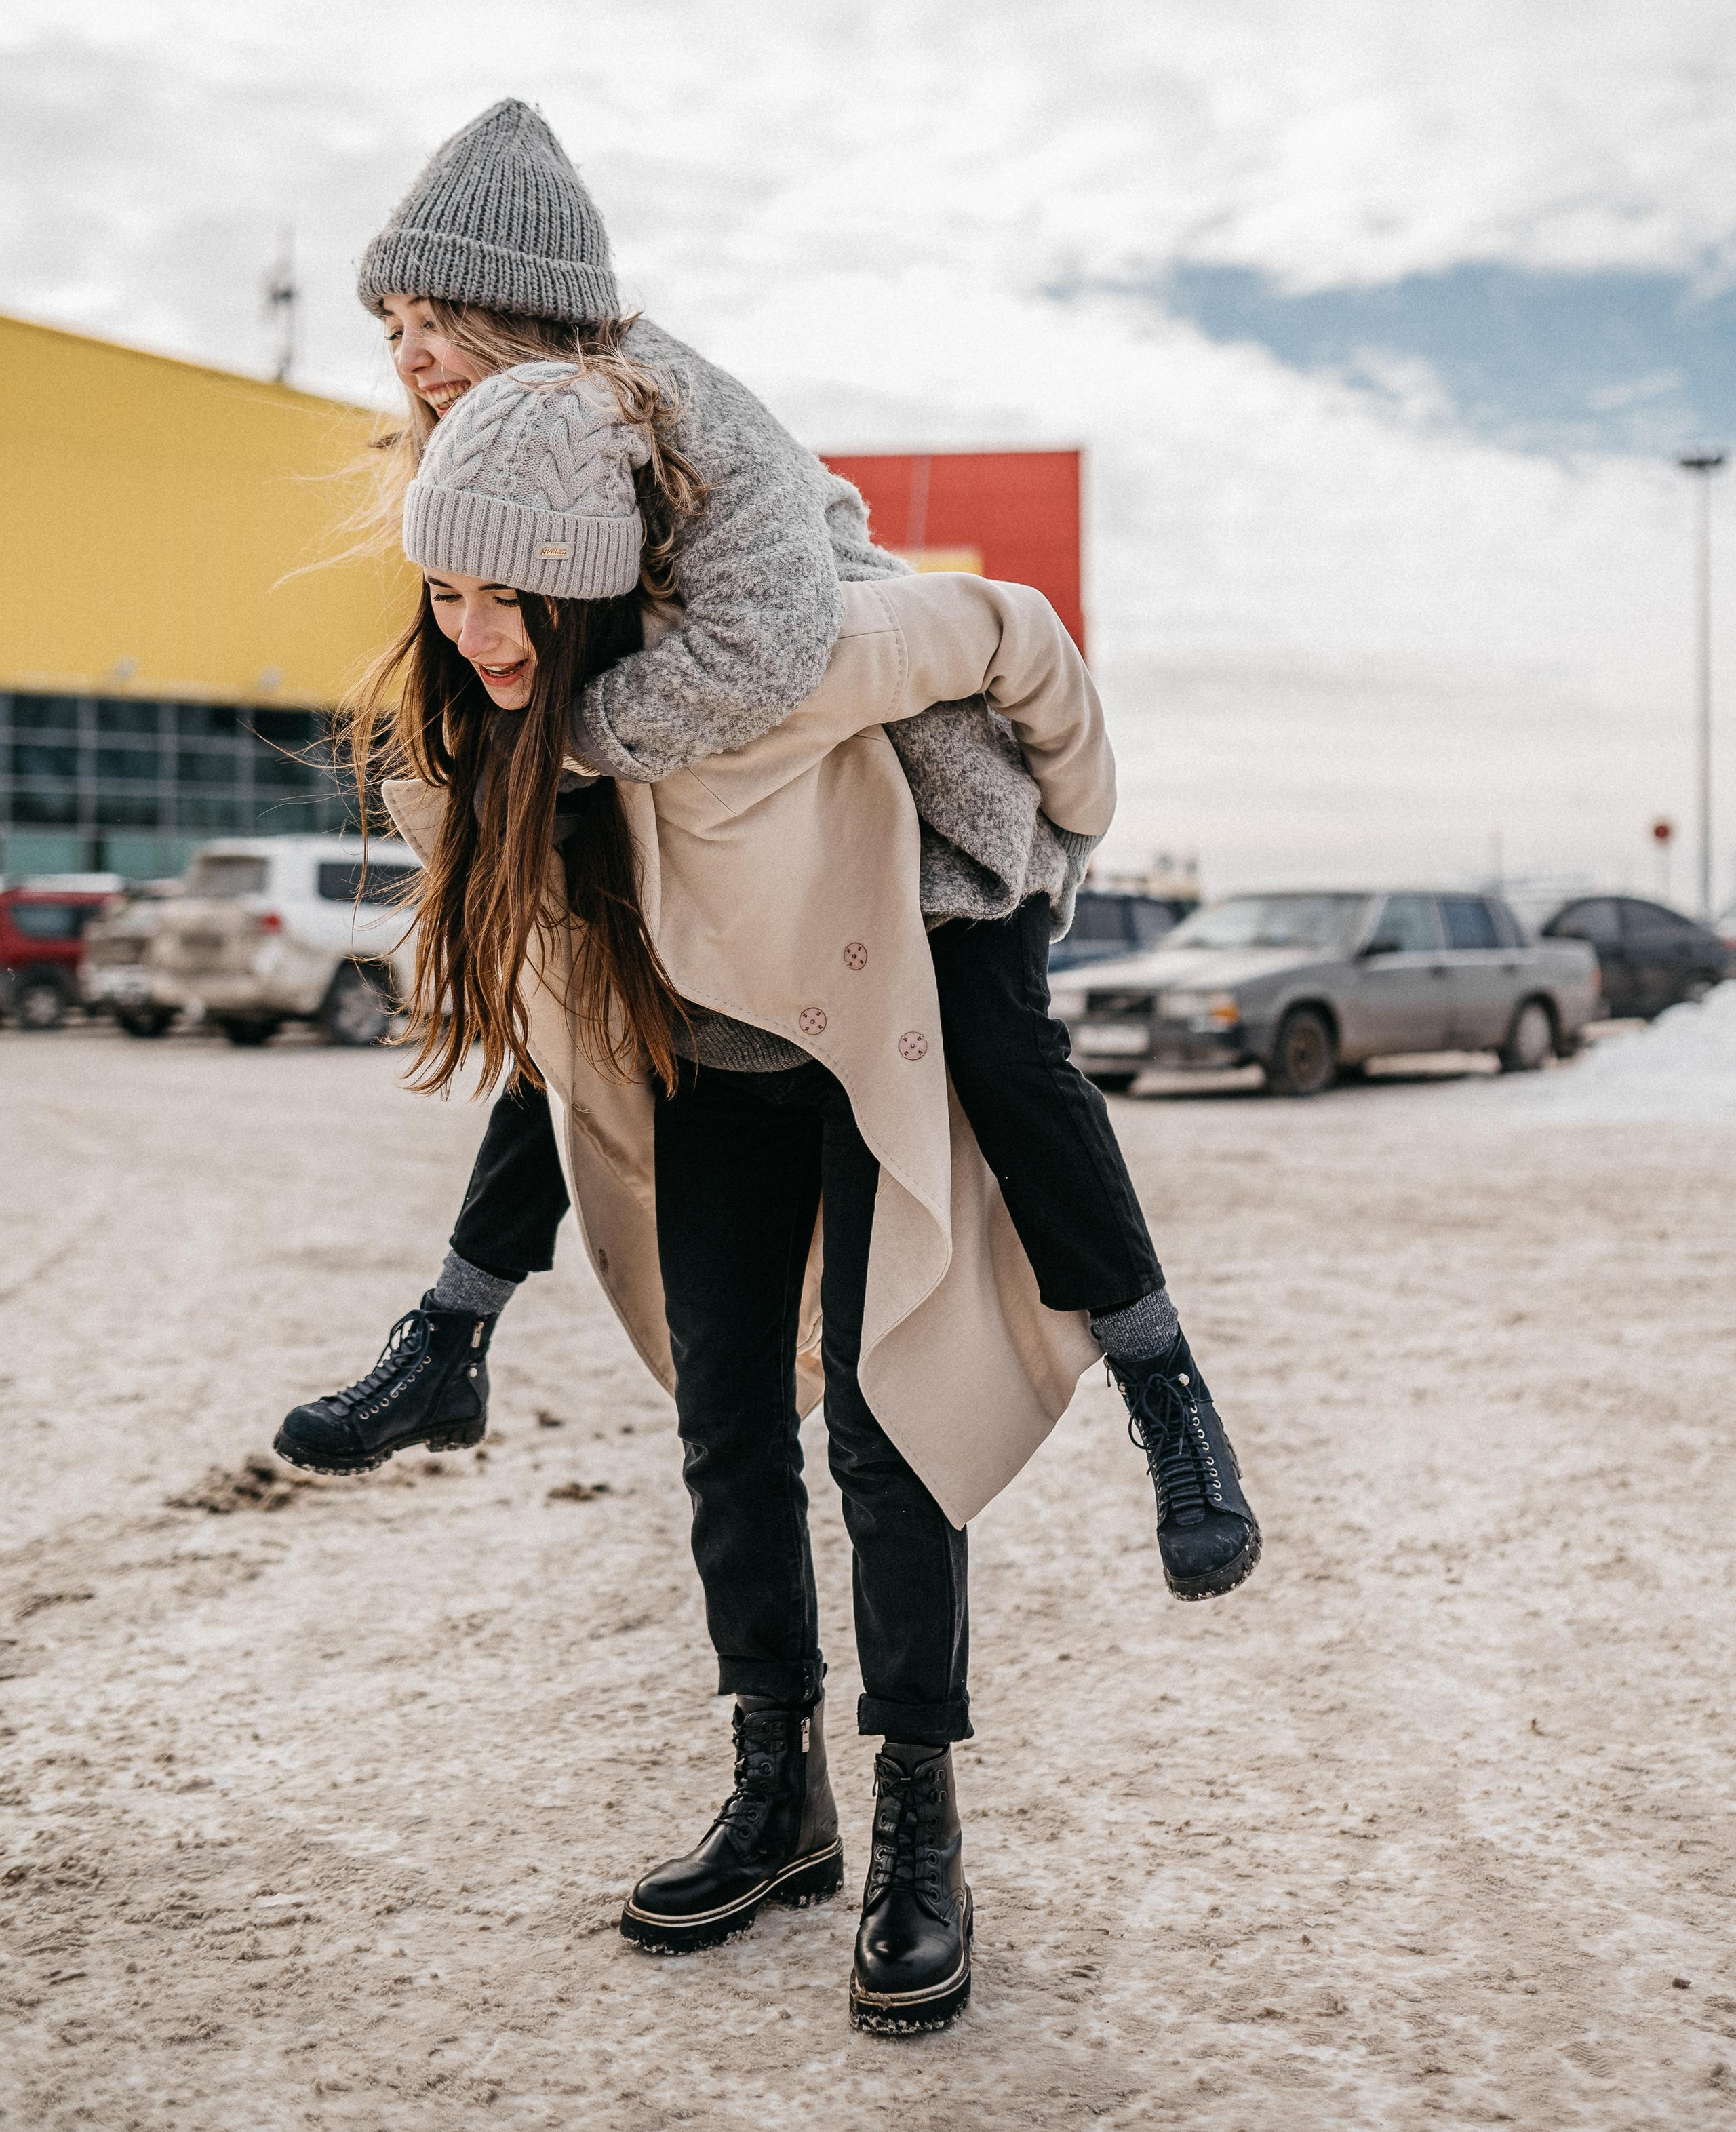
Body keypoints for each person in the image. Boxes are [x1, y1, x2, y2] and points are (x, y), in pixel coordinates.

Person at [292, 355, 1240, 2030]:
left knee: (887, 1435)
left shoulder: (776, 664)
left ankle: (917, 1826)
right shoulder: (493, 726)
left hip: (873, 1035)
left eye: (509, 597)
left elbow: (1011, 624)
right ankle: (775, 1789)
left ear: (588, 583)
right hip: (713, 1064)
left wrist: (1068, 840)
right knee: (725, 1419)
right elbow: (548, 1018)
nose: (476, 631)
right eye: (446, 594)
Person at [278, 98, 1262, 1618]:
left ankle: (1167, 1396)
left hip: (921, 807)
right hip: (736, 821)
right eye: (388, 322)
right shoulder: (494, 462)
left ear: (530, 307)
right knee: (563, 1005)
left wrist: (571, 747)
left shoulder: (673, 404)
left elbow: (765, 648)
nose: (406, 351)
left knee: (1002, 1049)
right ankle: (454, 1330)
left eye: (434, 313)